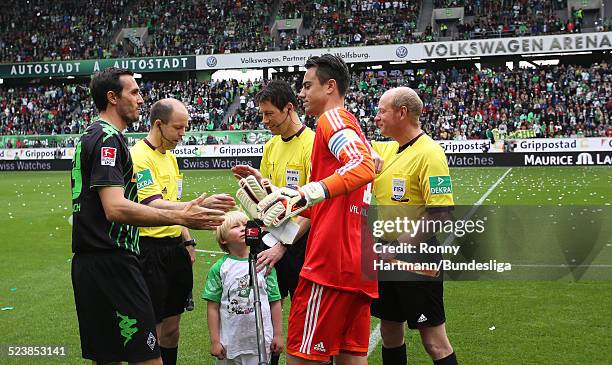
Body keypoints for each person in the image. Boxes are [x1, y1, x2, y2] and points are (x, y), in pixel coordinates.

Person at [70, 67, 225, 365]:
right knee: (147, 357)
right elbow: (115, 207)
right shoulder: (108, 139)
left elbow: (148, 201)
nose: (141, 99)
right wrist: (183, 218)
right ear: (112, 98)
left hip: (90, 264)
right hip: (114, 261)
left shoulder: (91, 134)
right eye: (134, 92)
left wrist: (187, 209)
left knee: (108, 356)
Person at [256, 54, 377, 365]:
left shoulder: (332, 119)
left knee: (302, 358)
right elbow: (320, 205)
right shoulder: (351, 127)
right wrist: (287, 206)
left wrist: (310, 191)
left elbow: (363, 166)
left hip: (329, 266)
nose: (302, 93)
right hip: (358, 266)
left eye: (308, 85)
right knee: (351, 358)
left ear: (330, 86)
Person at [130, 98, 235, 365]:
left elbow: (174, 206)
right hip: (148, 250)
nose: (182, 134)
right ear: (158, 124)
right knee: (150, 328)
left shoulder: (171, 159)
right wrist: (196, 206)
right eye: (178, 128)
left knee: (173, 327)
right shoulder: (139, 156)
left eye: (185, 128)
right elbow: (153, 203)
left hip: (174, 250)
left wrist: (187, 240)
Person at [370, 87, 458, 365]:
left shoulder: (430, 153)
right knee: (389, 331)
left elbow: (440, 214)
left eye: (382, 110)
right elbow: (347, 139)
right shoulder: (387, 148)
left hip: (417, 257)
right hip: (386, 255)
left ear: (402, 112)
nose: (376, 117)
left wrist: (397, 246)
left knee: (434, 342)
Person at [232, 80, 314, 365]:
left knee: (306, 320)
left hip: (304, 246)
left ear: (289, 108)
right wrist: (254, 183)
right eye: (262, 114)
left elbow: (313, 206)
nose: (264, 121)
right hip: (272, 242)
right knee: (266, 316)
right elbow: (269, 199)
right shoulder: (270, 146)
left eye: (269, 114)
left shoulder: (312, 144)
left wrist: (283, 245)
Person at [203, 210, 284, 364]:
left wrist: (278, 335)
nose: (242, 228)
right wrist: (215, 341)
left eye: (245, 225)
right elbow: (213, 306)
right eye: (235, 226)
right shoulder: (220, 268)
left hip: (259, 343)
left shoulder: (265, 264)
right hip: (229, 344)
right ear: (223, 239)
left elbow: (275, 301)